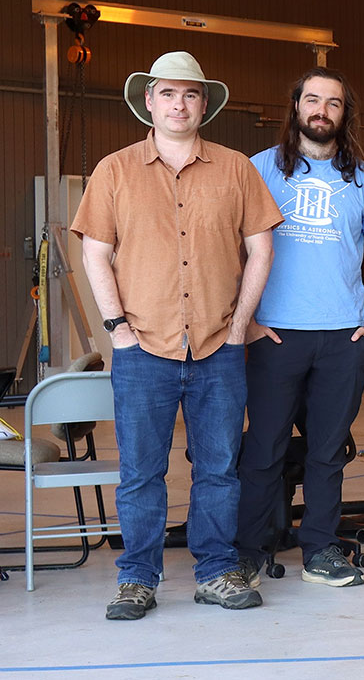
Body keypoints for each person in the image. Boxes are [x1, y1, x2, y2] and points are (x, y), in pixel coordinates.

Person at [71, 51, 283, 619]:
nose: (179, 104)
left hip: (218, 347)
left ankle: (216, 571)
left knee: (218, 467)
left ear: (204, 104)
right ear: (149, 101)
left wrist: (239, 325)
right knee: (142, 471)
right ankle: (137, 579)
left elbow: (261, 248)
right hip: (141, 347)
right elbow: (96, 253)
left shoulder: (237, 168)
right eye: (168, 94)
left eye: (190, 95)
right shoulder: (114, 170)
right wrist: (117, 329)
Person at [234, 67, 364, 589]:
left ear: (344, 113)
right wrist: (248, 320)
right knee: (264, 450)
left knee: (328, 452)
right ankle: (251, 553)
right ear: (296, 106)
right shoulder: (259, 169)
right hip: (275, 336)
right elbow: (227, 247)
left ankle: (321, 551)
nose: (321, 110)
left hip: (343, 338)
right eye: (312, 99)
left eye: (332, 102)